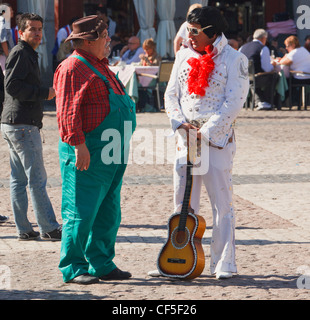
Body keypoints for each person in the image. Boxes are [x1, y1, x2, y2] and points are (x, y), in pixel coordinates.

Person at [149, 6, 249, 280]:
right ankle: (180, 257)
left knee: (222, 202)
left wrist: (205, 132)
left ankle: (224, 260)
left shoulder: (235, 59)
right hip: (185, 138)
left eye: (194, 31)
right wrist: (180, 124)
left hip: (216, 140)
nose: (188, 36)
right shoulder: (182, 55)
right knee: (182, 202)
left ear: (211, 32)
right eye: (187, 30)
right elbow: (170, 95)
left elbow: (234, 102)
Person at [54, 15, 136, 285]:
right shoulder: (73, 67)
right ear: (88, 41)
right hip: (88, 151)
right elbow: (67, 112)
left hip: (111, 153)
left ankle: (101, 263)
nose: (109, 42)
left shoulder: (100, 66)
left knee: (108, 212)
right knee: (80, 211)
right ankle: (74, 267)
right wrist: (79, 146)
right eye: (104, 37)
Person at [0, 13, 61, 241]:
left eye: (39, 29)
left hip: (15, 124)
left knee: (18, 180)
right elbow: (13, 86)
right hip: (22, 125)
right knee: (36, 180)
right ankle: (49, 228)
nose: (37, 33)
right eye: (32, 29)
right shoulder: (20, 52)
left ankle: (24, 229)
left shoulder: (26, 53)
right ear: (21, 32)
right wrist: (45, 93)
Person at [240, 29, 279, 110]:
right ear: (264, 38)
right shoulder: (263, 48)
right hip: (257, 78)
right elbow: (267, 68)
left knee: (253, 83)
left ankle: (260, 101)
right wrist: (273, 66)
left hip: (243, 78)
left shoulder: (242, 47)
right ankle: (267, 101)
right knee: (274, 76)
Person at [0, 3, 14, 74]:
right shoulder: (3, 22)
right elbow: (3, 41)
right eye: (10, 10)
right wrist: (8, 56)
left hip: (5, 55)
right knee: (7, 74)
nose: (12, 11)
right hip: (4, 55)